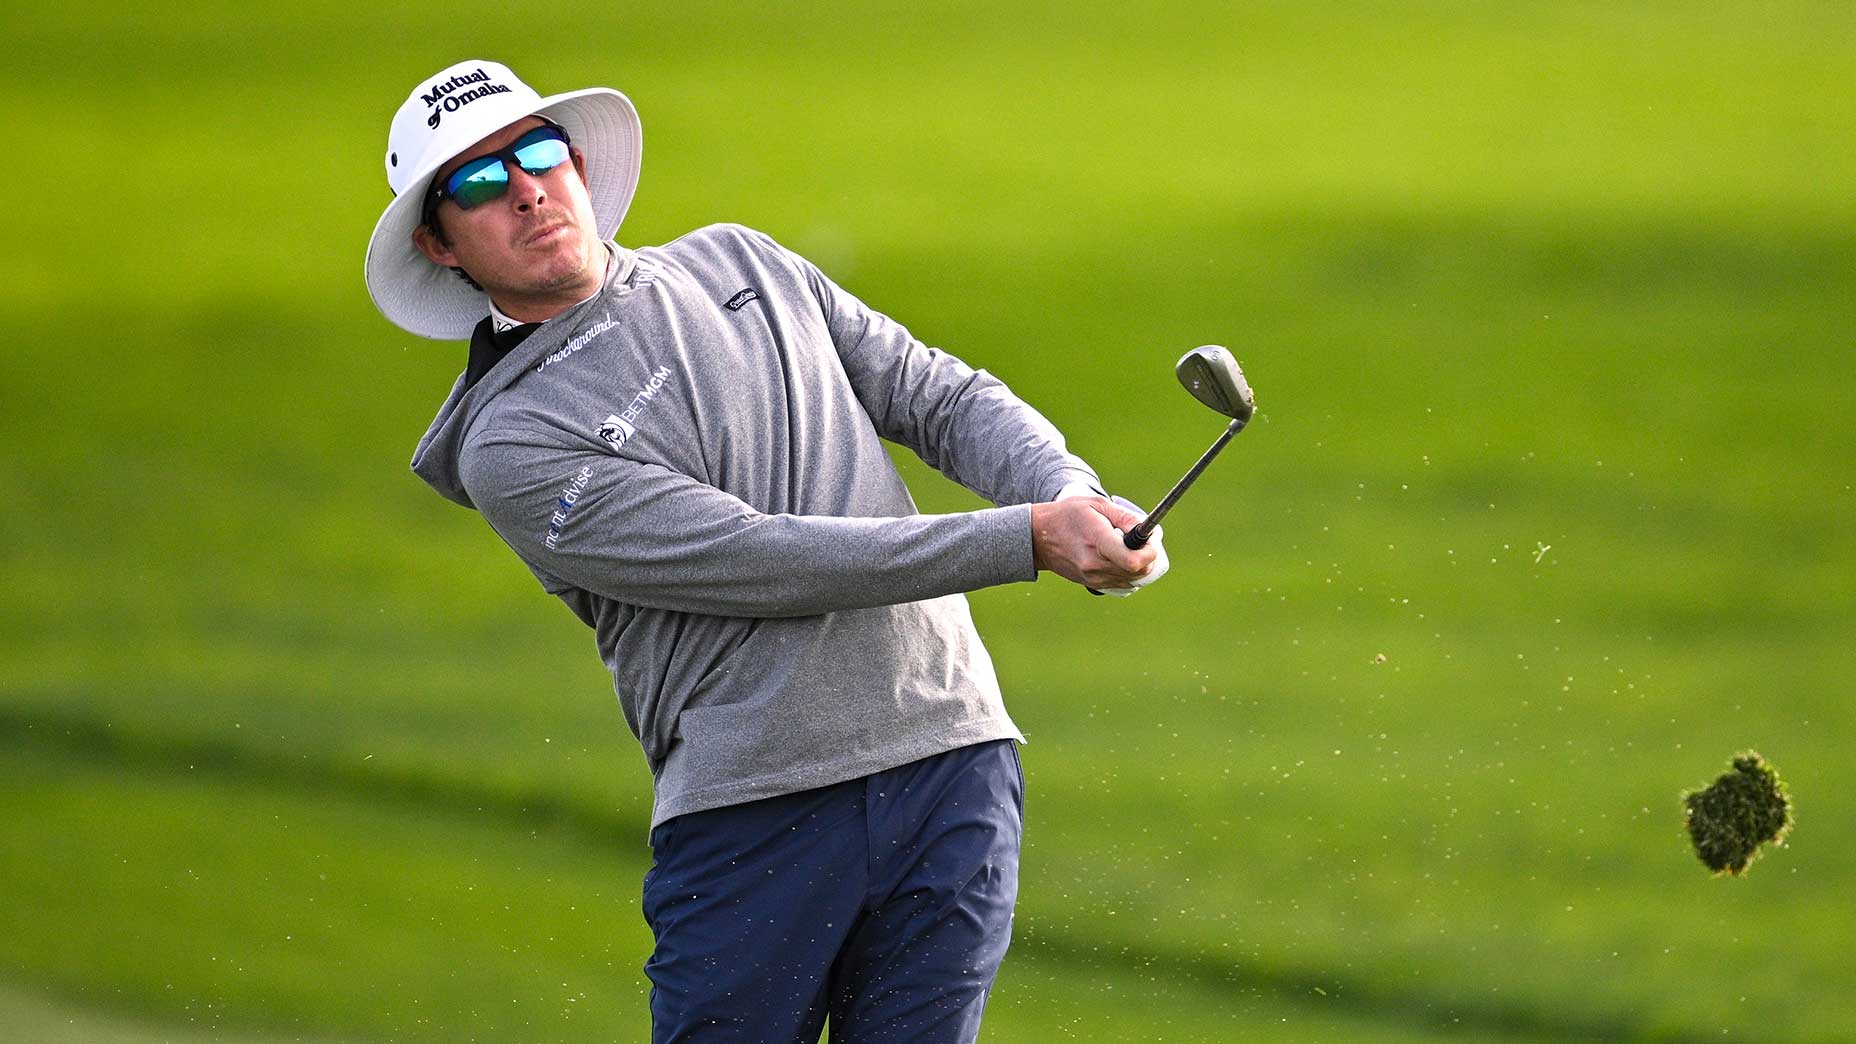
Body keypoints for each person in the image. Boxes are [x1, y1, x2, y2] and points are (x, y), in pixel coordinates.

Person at [364, 59, 1168, 1043]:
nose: (527, 190)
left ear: (575, 164)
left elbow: (934, 395)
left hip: (950, 757)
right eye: (480, 185)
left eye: (539, 154)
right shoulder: (510, 443)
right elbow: (764, 562)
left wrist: (1067, 492)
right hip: (754, 816)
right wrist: (1028, 540)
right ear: (439, 245)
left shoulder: (738, 261)